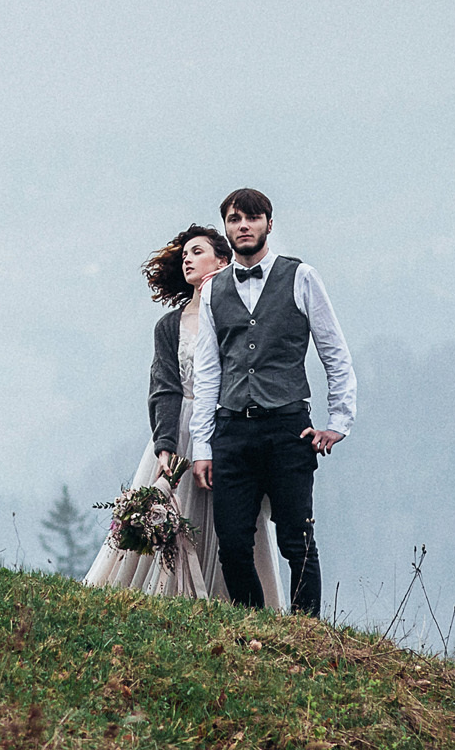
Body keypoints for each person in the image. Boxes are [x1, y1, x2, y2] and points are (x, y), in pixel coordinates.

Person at [83, 225, 283, 604]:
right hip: (181, 434)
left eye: (197, 251)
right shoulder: (169, 326)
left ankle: (238, 603)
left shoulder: (244, 316)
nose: (187, 259)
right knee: (172, 519)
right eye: (184, 255)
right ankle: (167, 597)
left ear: (223, 260)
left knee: (238, 527)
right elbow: (163, 387)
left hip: (232, 431)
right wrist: (165, 445)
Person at [190, 187, 355, 617]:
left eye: (251, 218)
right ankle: (256, 628)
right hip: (232, 431)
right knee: (232, 543)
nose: (242, 226)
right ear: (226, 229)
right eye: (234, 219)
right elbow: (208, 372)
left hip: (287, 427)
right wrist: (201, 447)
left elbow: (334, 351)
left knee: (296, 539)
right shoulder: (213, 291)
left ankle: (306, 631)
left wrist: (338, 421)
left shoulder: (301, 277)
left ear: (268, 223)